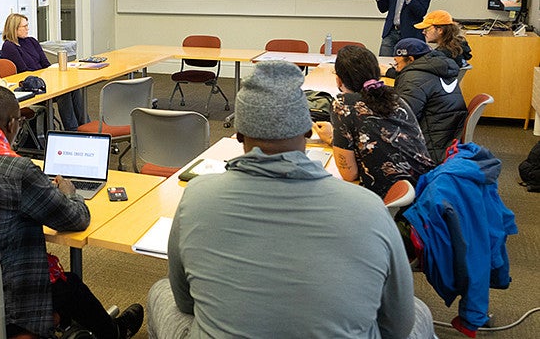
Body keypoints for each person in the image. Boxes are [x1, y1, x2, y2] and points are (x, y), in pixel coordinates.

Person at [147, 61, 433, 338]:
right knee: (418, 309)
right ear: (309, 130)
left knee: (160, 291)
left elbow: (186, 303)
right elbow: (397, 324)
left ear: (238, 135)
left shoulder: (196, 196)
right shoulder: (369, 207)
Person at [0, 85, 143, 338]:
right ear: (13, 124)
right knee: (72, 287)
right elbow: (76, 219)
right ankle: (115, 332)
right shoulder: (18, 171)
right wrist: (69, 192)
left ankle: (68, 325)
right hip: (2, 308)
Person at [312, 46, 435, 198]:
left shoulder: (343, 105)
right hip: (425, 186)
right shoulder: (396, 97)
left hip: (388, 199)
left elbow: (349, 175)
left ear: (338, 80)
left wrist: (333, 139)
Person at [0, 13, 88, 130]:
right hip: (31, 86)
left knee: (72, 87)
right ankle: (72, 130)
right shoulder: (9, 46)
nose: (27, 29)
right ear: (14, 29)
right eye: (24, 26)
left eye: (27, 25)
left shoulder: (32, 41)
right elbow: (24, 71)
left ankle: (86, 126)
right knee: (64, 92)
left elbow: (45, 64)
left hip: (43, 81)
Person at [392, 38, 468, 164]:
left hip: (430, 148)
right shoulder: (440, 68)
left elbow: (404, 117)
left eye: (397, 63)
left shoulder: (414, 79)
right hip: (448, 139)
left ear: (411, 59)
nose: (396, 69)